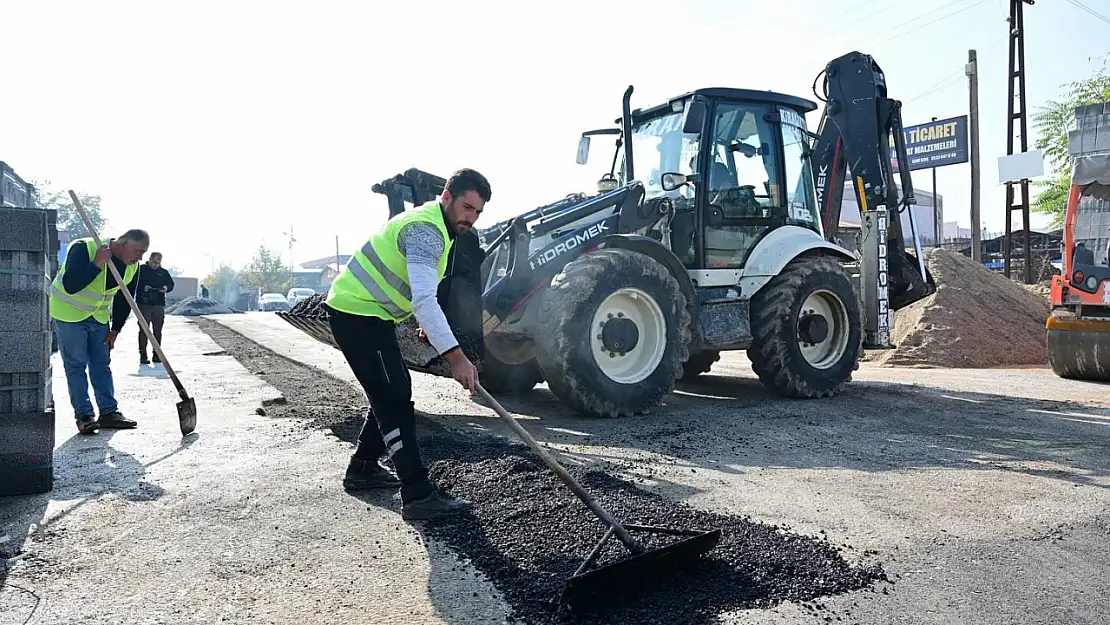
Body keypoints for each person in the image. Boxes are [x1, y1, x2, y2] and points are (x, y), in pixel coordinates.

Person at [325, 168, 488, 521]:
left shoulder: (440, 228)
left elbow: (415, 290)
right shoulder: (427, 231)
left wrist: (424, 325)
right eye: (466, 207)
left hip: (369, 314)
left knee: (390, 391)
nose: (470, 218)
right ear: (446, 197)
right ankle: (416, 492)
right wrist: (456, 358)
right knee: (394, 393)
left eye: (477, 212)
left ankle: (364, 468)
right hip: (357, 314)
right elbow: (425, 301)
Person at [49, 229, 149, 434]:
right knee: (76, 365)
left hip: (99, 318)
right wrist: (96, 263)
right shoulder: (84, 248)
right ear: (123, 244)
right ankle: (85, 416)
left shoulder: (132, 267)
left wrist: (116, 329)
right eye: (139, 251)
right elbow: (70, 285)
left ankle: (109, 413)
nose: (141, 257)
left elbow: (125, 298)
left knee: (101, 364)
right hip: (69, 314)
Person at [136, 252, 175, 364]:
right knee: (144, 330)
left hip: (158, 303)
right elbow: (133, 283)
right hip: (144, 304)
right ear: (150, 259)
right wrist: (144, 288)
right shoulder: (140, 270)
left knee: (157, 330)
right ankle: (143, 355)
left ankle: (157, 354)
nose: (155, 265)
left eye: (158, 263)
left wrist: (166, 288)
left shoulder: (163, 273)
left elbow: (171, 284)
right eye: (154, 262)